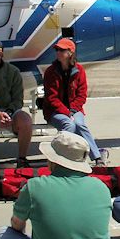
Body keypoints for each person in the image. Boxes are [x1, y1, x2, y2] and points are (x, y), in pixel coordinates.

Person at [0, 131, 112, 239]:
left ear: (53, 160)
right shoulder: (101, 188)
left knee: (4, 234)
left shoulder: (34, 187)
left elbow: (17, 225)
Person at [43, 38, 107, 166]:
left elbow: (81, 95)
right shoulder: (50, 71)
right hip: (55, 111)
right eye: (57, 50)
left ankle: (96, 157)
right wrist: (67, 113)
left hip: (75, 109)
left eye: (62, 50)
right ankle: (62, 157)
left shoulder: (79, 71)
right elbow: (51, 98)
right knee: (69, 125)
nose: (58, 52)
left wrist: (72, 111)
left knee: (79, 124)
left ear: (70, 52)